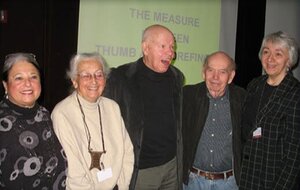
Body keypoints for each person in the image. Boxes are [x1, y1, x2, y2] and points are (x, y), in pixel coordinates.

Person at [103, 24, 184, 190]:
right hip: (140, 170)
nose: (170, 53)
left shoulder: (177, 77)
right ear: (145, 48)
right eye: (163, 46)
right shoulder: (120, 78)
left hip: (171, 167)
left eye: (172, 47)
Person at [51, 52, 134, 190]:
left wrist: (122, 186)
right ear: (74, 80)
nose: (94, 81)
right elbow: (72, 171)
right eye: (85, 75)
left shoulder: (112, 107)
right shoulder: (62, 113)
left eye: (99, 74)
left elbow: (127, 152)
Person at [239, 31, 300, 190]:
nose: (270, 59)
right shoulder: (254, 85)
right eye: (266, 52)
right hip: (248, 176)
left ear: (289, 60)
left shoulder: (295, 93)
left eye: (278, 54)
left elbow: (295, 155)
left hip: (274, 180)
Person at [0, 53, 67, 189]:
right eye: (19, 78)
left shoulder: (45, 115)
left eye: (33, 77)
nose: (28, 83)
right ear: (5, 85)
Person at [182, 51, 246, 190]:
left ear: (231, 76)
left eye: (222, 72)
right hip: (193, 182)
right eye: (210, 70)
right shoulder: (187, 96)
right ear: (204, 73)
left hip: (229, 183)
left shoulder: (242, 99)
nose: (215, 77)